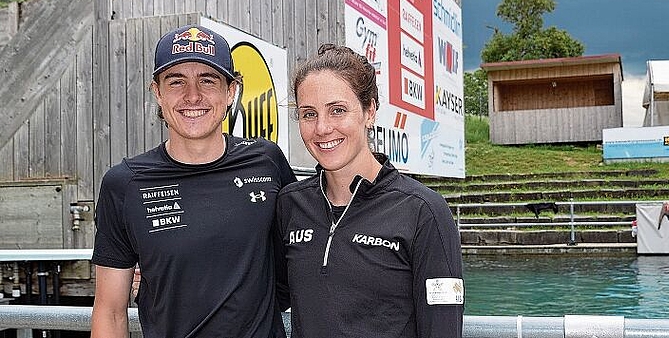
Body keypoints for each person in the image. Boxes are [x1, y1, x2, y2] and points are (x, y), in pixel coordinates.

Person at [91, 24, 296, 338]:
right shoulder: (125, 184)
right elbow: (110, 312)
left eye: (208, 80)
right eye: (176, 81)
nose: (193, 96)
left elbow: (310, 248)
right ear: (157, 92)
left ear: (231, 91)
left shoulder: (267, 161)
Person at [277, 44, 464, 337]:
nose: (322, 128)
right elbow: (260, 297)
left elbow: (442, 328)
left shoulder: (423, 211)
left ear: (370, 110)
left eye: (337, 110)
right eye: (309, 114)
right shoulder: (290, 205)